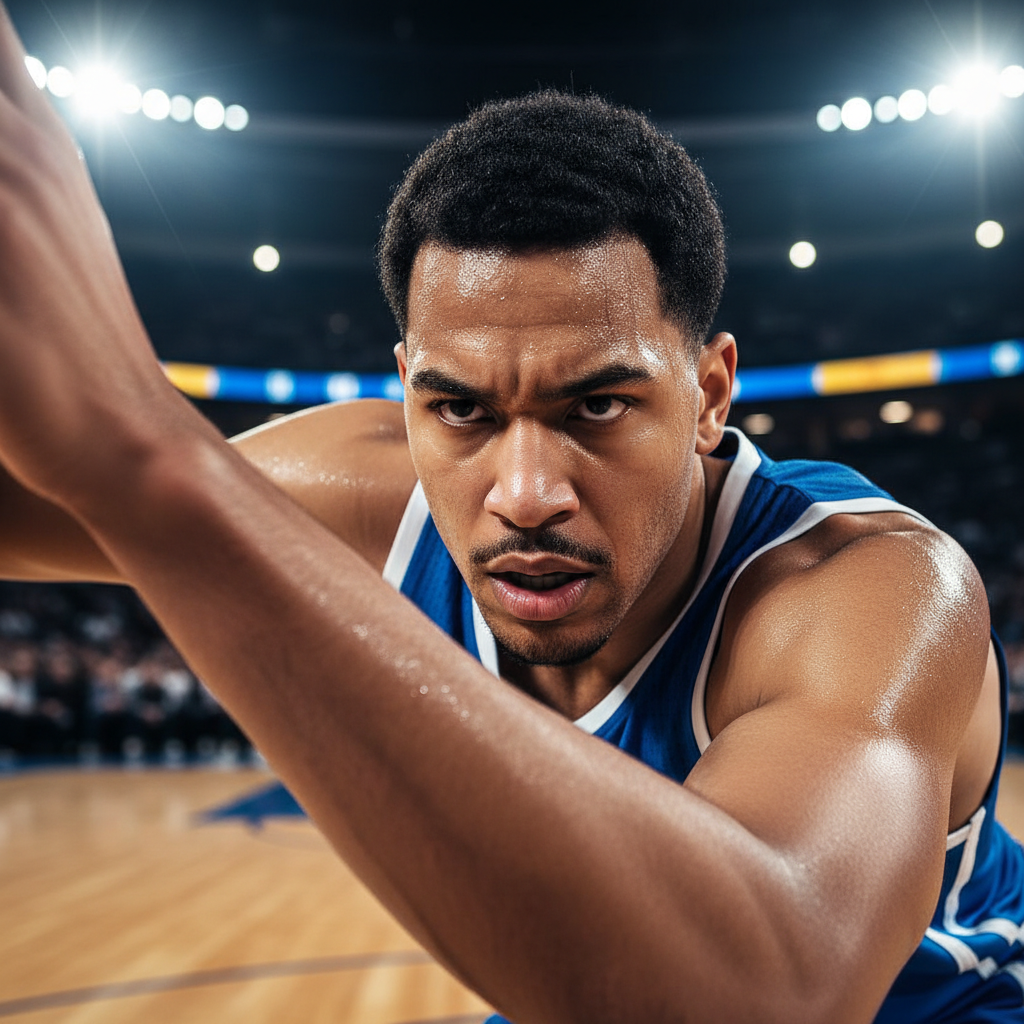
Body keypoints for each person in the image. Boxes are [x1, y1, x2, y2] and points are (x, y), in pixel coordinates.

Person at [0, 7, 1020, 1020]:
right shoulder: (369, 489)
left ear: (709, 395)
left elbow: (773, 991)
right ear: (405, 390)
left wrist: (151, 459)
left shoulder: (873, 589)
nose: (525, 494)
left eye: (599, 405)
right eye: (460, 410)